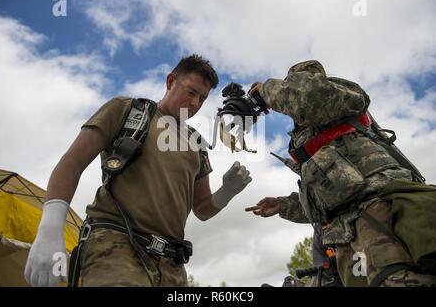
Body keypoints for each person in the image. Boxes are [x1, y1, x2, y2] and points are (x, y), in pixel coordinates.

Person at [24, 54, 252, 287]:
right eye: (191, 92)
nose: (195, 104)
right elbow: (72, 162)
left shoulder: (198, 143)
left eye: (202, 99)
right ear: (170, 81)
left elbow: (202, 209)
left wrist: (228, 191)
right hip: (117, 247)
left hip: (173, 264)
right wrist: (50, 229)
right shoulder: (128, 110)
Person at [246, 60, 436, 287]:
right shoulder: (310, 137)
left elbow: (309, 95)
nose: (290, 89)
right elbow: (327, 196)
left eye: (293, 83)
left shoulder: (340, 93)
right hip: (345, 231)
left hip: (377, 208)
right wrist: (284, 205)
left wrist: (265, 90)